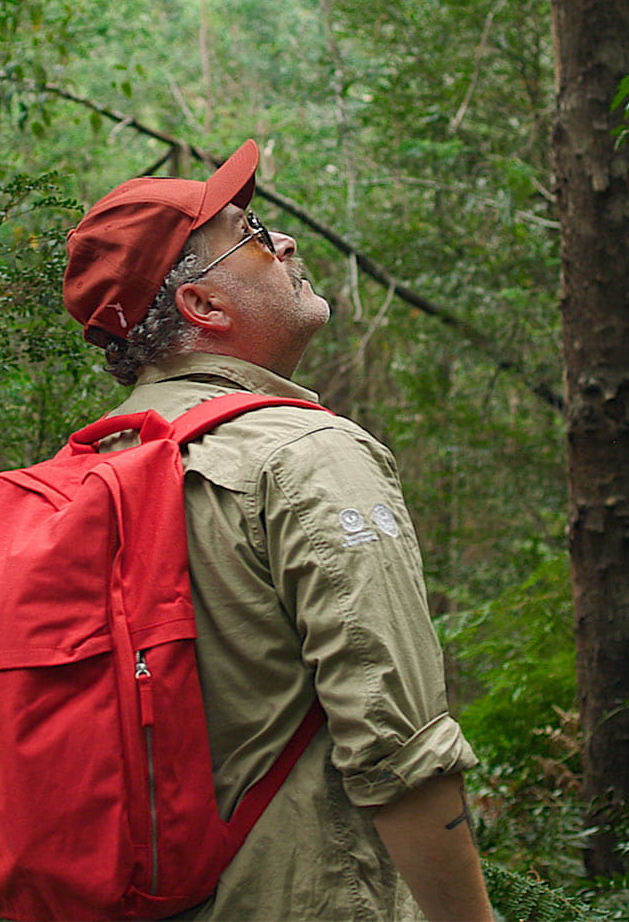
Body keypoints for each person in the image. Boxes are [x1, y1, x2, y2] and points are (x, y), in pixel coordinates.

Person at [61, 140, 496, 922]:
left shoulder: (86, 470)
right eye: (253, 234)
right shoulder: (307, 458)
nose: (284, 241)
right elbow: (401, 749)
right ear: (205, 307)